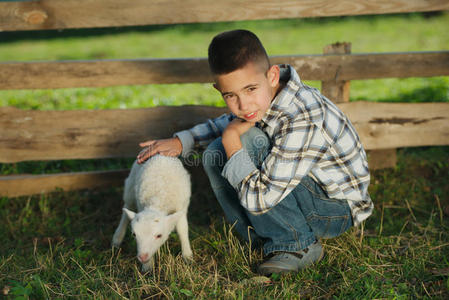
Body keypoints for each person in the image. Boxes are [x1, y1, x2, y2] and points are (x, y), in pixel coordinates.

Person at [136, 29, 373, 275]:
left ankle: (298, 244)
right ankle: (260, 239)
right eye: (231, 95)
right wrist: (183, 141)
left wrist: (230, 138)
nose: (244, 105)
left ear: (272, 76)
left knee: (245, 141)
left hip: (334, 209)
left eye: (250, 89)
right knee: (215, 152)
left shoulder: (302, 117)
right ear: (219, 89)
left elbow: (259, 198)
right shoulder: (266, 98)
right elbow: (228, 121)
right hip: (298, 190)